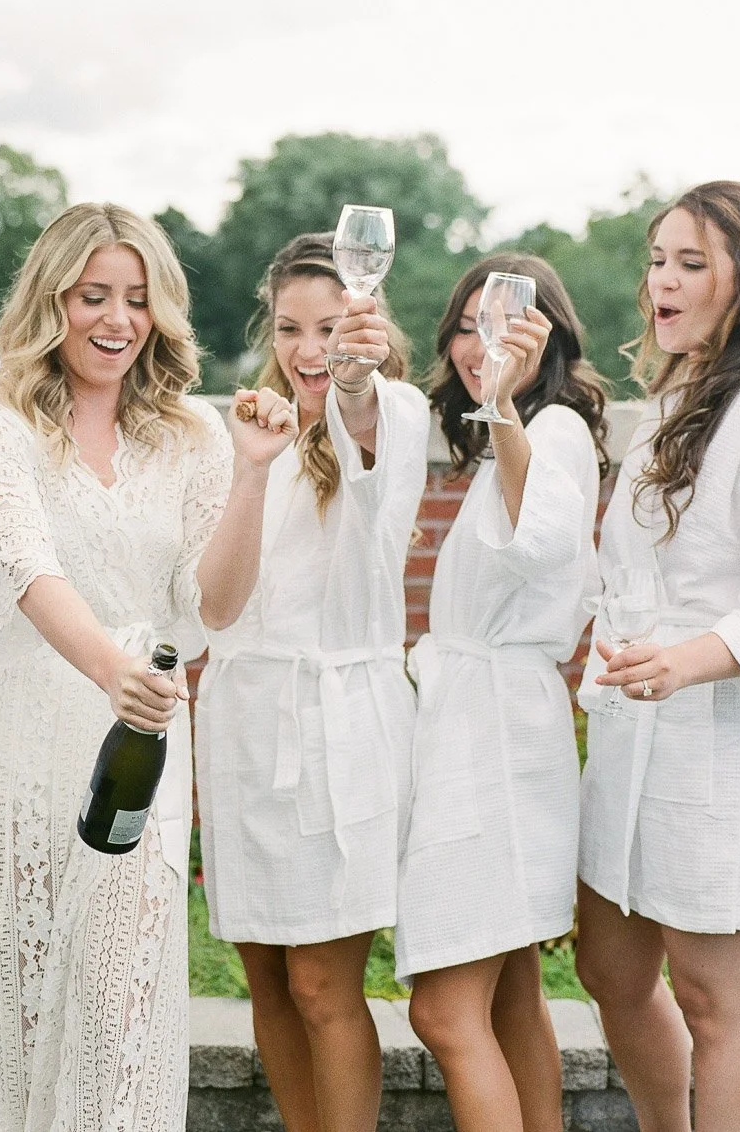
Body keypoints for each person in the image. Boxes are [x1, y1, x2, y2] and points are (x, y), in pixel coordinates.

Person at [0, 202, 239, 1130]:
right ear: (51, 299)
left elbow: (213, 606)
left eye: (138, 298)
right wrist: (112, 668)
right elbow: (27, 569)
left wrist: (262, 472)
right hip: (16, 756)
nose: (117, 319)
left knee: (119, 1015)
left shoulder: (195, 435)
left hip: (137, 753)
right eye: (93, 295)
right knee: (21, 1029)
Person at [573, 181, 740, 1131]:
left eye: (691, 263)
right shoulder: (676, 397)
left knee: (716, 1002)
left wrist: (682, 661)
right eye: (658, 260)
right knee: (608, 967)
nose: (663, 281)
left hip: (730, 740)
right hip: (638, 727)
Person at [192, 232, 426, 1132]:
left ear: (365, 326)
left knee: (323, 983)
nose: (307, 349)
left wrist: (358, 373)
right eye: (290, 328)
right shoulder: (254, 430)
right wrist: (251, 469)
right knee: (267, 980)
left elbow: (361, 416)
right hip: (245, 724)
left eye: (328, 327)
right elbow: (217, 608)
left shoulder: (391, 412)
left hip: (339, 731)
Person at [399, 253, 607, 1130]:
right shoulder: (506, 441)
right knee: (512, 992)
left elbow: (542, 536)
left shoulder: (550, 429)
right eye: (467, 325)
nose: (480, 343)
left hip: (493, 741)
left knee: (444, 1011)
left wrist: (509, 411)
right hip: (485, 727)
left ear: (544, 338)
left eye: (504, 325)